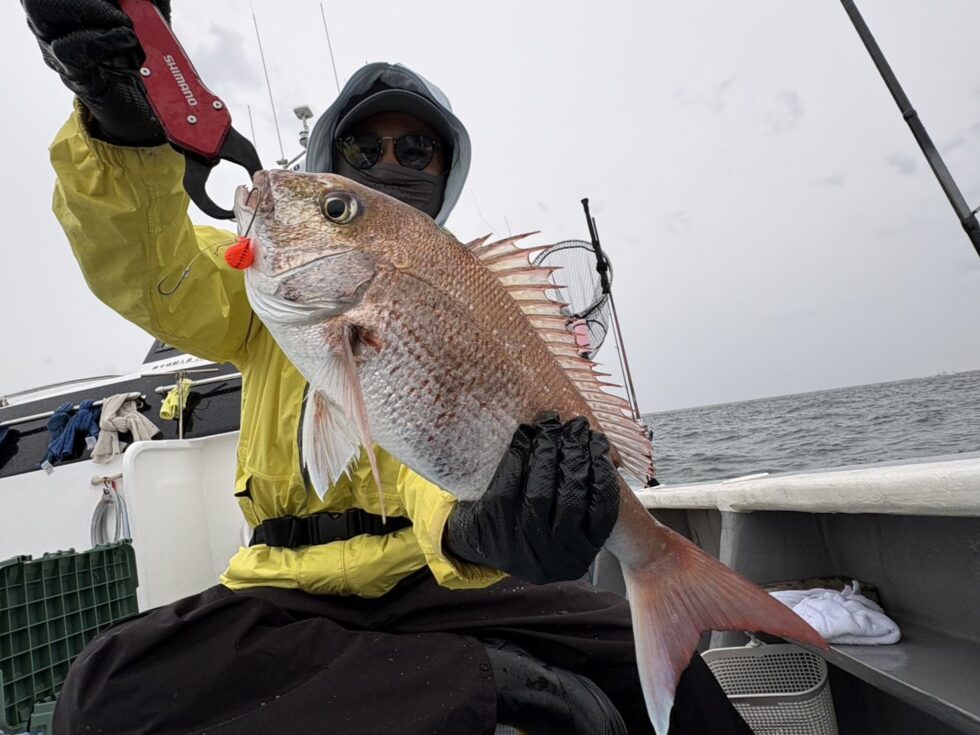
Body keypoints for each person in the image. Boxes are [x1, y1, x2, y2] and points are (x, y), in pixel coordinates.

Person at [22, 2, 753, 733]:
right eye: (364, 152)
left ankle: (458, 676)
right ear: (331, 157)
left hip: (443, 576)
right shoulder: (251, 287)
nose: (391, 162)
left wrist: (484, 522)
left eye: (416, 151)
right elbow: (147, 266)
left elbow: (422, 452)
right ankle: (487, 679)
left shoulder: (473, 298)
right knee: (102, 696)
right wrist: (119, 129)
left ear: (445, 174)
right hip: (284, 594)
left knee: (681, 685)